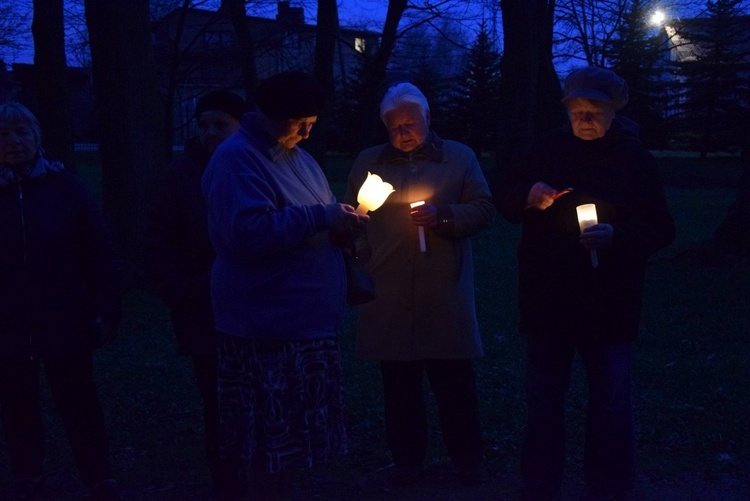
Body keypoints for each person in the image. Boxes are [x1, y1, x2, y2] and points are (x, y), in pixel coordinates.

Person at [492, 66, 676, 500]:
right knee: (543, 401)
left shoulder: (632, 157)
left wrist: (618, 237)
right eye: (577, 110)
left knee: (610, 401)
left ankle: (608, 485)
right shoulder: (546, 150)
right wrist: (527, 196)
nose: (585, 119)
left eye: (594, 111)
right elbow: (504, 194)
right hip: (547, 299)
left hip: (609, 302)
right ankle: (540, 484)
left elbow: (661, 226)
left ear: (614, 112)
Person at [201, 71, 368, 500]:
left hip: (303, 325)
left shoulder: (297, 156)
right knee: (266, 440)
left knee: (290, 443)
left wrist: (340, 228)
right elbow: (246, 234)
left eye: (312, 121)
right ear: (272, 116)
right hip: (266, 330)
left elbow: (313, 219)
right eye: (300, 122)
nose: (307, 131)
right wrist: (321, 217)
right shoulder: (237, 159)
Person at [343, 82, 495, 486]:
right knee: (398, 384)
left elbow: (483, 209)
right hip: (388, 289)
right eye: (394, 127)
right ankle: (407, 461)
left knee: (454, 382)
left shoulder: (459, 157)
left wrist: (443, 216)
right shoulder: (369, 162)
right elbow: (353, 217)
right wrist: (358, 245)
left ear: (428, 119)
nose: (403, 132)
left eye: (411, 123)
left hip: (442, 288)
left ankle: (467, 461)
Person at [0, 101, 122, 500]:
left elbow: (97, 249)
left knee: (78, 399)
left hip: (64, 317)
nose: (13, 141)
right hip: (7, 322)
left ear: (37, 138)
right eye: (3, 134)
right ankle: (26, 471)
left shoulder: (66, 188)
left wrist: (104, 305)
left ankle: (98, 474)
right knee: (16, 401)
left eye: (21, 132)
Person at [143, 89, 248, 499]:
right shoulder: (182, 175)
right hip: (203, 305)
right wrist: (180, 288)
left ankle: (259, 468)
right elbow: (158, 236)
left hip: (254, 302)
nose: (209, 132)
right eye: (203, 124)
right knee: (217, 394)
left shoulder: (253, 167)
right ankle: (225, 474)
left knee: (255, 391)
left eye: (219, 124)